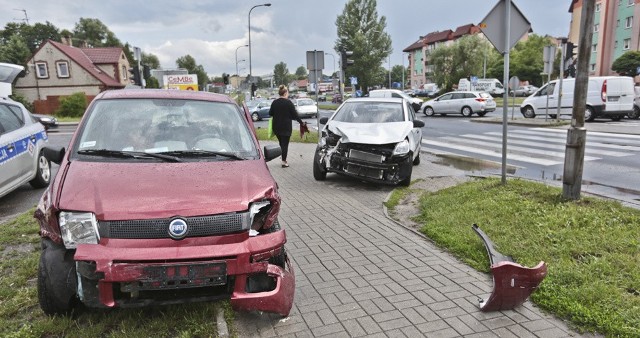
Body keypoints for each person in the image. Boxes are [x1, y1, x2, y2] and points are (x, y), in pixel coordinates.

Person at [269, 85, 305, 168]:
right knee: (285, 144)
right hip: (286, 127)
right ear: (285, 93)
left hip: (276, 127)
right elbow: (295, 115)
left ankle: (283, 157)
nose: (288, 94)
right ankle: (284, 162)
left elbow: (270, 113)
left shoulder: (275, 102)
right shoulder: (288, 103)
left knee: (282, 143)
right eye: (287, 92)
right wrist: (301, 123)